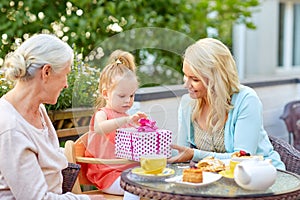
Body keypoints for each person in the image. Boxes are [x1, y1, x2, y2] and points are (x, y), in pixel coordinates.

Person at [0, 34, 105, 200]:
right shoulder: (11, 128)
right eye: (65, 75)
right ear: (46, 72)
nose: (66, 84)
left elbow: (46, 158)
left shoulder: (37, 109)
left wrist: (89, 154)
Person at [169, 38, 285, 170]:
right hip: (219, 181)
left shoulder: (246, 100)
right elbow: (182, 154)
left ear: (216, 78)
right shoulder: (188, 104)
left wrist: (195, 155)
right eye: (185, 75)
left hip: (262, 177)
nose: (186, 84)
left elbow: (243, 159)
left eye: (195, 79)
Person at [85, 50, 146, 198]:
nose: (128, 100)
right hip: (108, 175)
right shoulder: (103, 114)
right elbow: (99, 129)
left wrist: (142, 128)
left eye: (131, 95)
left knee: (156, 181)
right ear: (106, 94)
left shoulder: (126, 117)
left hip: (127, 172)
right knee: (135, 187)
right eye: (122, 96)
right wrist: (125, 120)